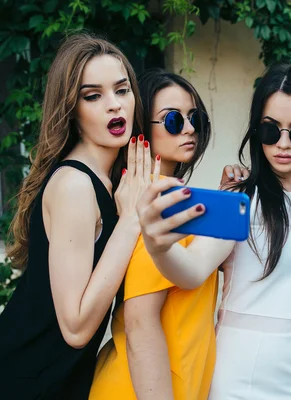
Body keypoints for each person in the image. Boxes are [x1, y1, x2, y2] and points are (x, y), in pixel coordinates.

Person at [135, 63, 291, 400]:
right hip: (241, 374)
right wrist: (159, 246)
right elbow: (192, 270)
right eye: (270, 130)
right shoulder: (240, 196)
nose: (283, 143)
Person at [0, 33, 153, 399]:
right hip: (24, 378)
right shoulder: (75, 185)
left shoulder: (112, 181)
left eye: (122, 90)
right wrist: (131, 219)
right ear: (72, 108)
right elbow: (76, 328)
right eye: (93, 96)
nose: (114, 106)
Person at [89, 69, 215, 400]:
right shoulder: (156, 204)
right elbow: (140, 323)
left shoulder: (167, 199)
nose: (189, 129)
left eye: (195, 118)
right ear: (143, 129)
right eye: (173, 120)